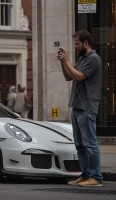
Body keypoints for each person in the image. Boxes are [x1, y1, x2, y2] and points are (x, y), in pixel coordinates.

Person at [58, 30, 103, 187]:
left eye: (77, 44)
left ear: (86, 43)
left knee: (90, 144)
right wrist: (63, 62)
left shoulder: (94, 59)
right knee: (80, 146)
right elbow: (68, 77)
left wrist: (68, 60)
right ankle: (85, 175)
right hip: (77, 107)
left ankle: (96, 178)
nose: (75, 47)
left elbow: (79, 76)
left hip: (87, 107)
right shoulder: (82, 59)